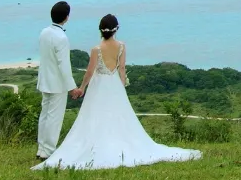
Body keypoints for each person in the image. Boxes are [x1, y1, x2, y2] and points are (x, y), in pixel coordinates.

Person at [32, 14, 202, 170]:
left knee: (94, 116)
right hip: (114, 85)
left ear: (100, 30)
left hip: (98, 86)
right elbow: (122, 69)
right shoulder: (121, 46)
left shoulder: (96, 49)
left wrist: (82, 87)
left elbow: (90, 72)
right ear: (116, 29)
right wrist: (121, 87)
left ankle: (75, 146)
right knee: (118, 115)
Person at [35, 1, 82, 162]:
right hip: (57, 83)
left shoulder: (44, 32)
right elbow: (64, 65)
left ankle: (41, 148)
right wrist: (72, 87)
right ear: (66, 17)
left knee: (45, 114)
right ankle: (48, 151)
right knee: (54, 117)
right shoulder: (61, 37)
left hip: (45, 80)